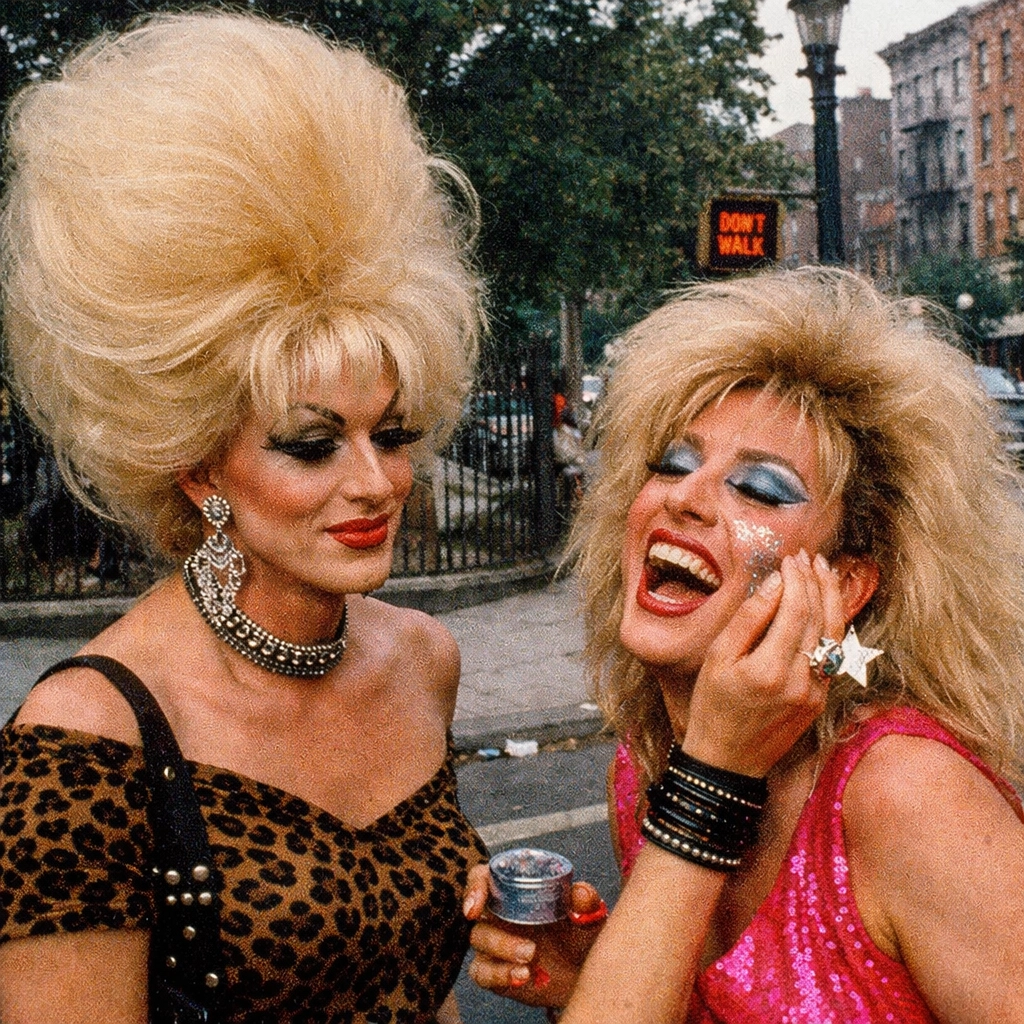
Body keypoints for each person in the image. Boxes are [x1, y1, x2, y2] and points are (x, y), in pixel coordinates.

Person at [0, 11, 486, 1022]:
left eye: (391, 435)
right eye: (312, 444)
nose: (375, 482)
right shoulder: (84, 739)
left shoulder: (423, 660)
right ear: (194, 468)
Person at [463, 268, 1024, 1022]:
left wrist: (713, 780)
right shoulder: (645, 765)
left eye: (759, 489)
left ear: (848, 583)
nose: (686, 498)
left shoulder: (908, 795)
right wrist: (593, 977)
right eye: (674, 463)